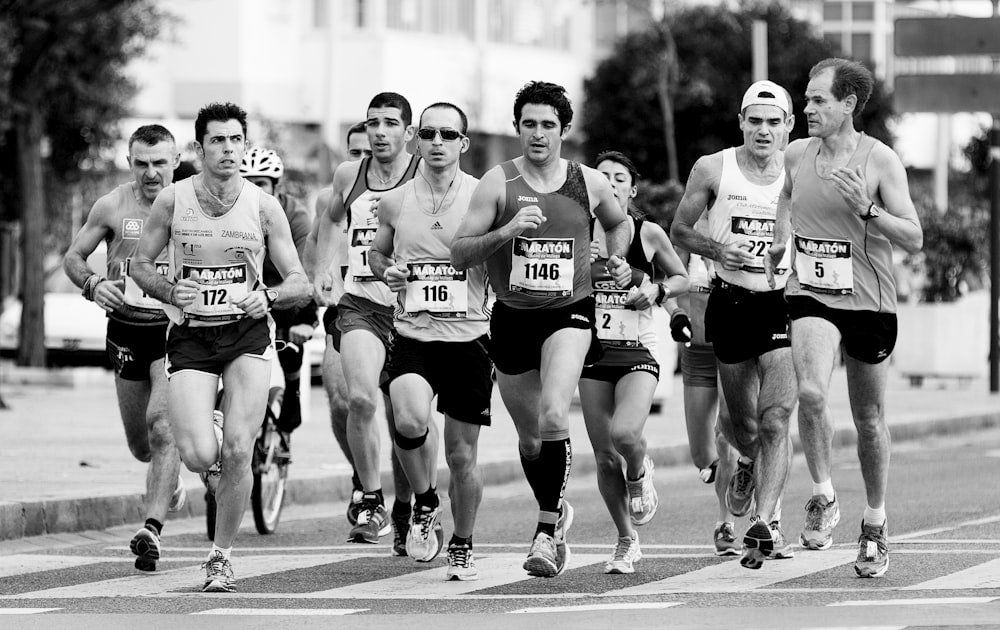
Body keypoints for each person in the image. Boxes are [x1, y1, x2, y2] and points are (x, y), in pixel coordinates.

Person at [451, 81, 631, 578]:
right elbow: (460, 252)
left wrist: (610, 256)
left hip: (569, 312)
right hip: (511, 316)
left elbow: (622, 224)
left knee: (555, 414)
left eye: (548, 125)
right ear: (517, 128)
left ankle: (547, 530)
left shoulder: (588, 182)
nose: (537, 133)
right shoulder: (498, 182)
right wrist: (508, 231)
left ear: (565, 131)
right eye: (528, 124)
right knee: (530, 441)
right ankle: (557, 508)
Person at [131, 102, 311, 592]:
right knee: (194, 452)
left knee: (238, 450)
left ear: (244, 146)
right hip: (190, 334)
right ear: (200, 147)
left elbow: (300, 282)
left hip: (246, 335)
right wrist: (169, 291)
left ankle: (220, 557)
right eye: (217, 140)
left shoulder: (263, 206)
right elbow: (139, 265)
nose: (228, 149)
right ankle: (209, 434)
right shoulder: (172, 201)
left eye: (235, 140)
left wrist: (268, 296)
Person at [765, 59, 922, 578]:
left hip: (869, 302)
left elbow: (914, 238)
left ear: (848, 105)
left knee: (869, 420)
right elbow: (786, 195)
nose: (806, 109)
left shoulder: (880, 162)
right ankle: (823, 494)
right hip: (810, 293)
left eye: (817, 101)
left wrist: (868, 209)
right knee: (810, 393)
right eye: (806, 100)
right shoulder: (795, 154)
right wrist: (781, 237)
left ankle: (874, 522)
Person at [672, 80, 798, 569]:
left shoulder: (800, 172)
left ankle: (766, 521)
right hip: (730, 301)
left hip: (783, 303)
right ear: (741, 122)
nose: (763, 130)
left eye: (774, 121)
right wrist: (716, 249)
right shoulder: (713, 168)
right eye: (755, 120)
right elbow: (680, 229)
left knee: (775, 419)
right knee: (742, 424)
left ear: (788, 126)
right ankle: (745, 462)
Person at [369, 102, 490, 580]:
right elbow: (378, 255)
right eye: (429, 133)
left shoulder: (484, 197)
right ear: (416, 139)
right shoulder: (396, 201)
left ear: (463, 142)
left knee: (462, 455)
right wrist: (389, 272)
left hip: (469, 339)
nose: (437, 142)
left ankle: (463, 542)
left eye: (448, 134)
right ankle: (423, 501)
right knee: (408, 417)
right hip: (414, 333)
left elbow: (501, 260)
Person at [63, 124, 185, 573]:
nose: (151, 173)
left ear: (176, 160)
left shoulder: (194, 203)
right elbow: (73, 257)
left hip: (176, 331)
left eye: (160, 163)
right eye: (142, 164)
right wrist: (94, 284)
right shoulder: (113, 204)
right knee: (141, 445)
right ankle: (167, 481)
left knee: (163, 427)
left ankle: (151, 528)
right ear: (129, 162)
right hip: (127, 329)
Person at [312, 93, 429, 547]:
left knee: (409, 418)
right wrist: (325, 269)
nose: (379, 132)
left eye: (390, 123)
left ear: (408, 132)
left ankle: (416, 502)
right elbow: (331, 220)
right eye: (372, 123)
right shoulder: (349, 174)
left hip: (415, 309)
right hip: (361, 303)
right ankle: (371, 497)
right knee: (360, 399)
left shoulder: (427, 174)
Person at [579, 150, 688, 574]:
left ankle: (640, 471)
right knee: (605, 456)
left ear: (632, 188)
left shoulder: (648, 234)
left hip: (636, 349)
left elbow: (681, 278)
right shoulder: (575, 232)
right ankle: (626, 540)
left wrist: (655, 292)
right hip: (590, 352)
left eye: (618, 177)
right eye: (601, 176)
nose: (608, 183)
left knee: (625, 435)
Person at [240, 147, 318, 445]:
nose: (252, 190)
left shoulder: (295, 215)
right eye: (246, 181)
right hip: (246, 291)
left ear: (276, 187)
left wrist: (304, 321)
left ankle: (293, 391)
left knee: (289, 338)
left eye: (260, 183)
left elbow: (303, 275)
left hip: (283, 290)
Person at [668, 243, 740, 557]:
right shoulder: (686, 240)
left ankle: (726, 523)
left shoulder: (733, 230)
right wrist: (676, 315)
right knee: (702, 455)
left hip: (730, 350)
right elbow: (664, 286)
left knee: (726, 437)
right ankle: (739, 480)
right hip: (695, 353)